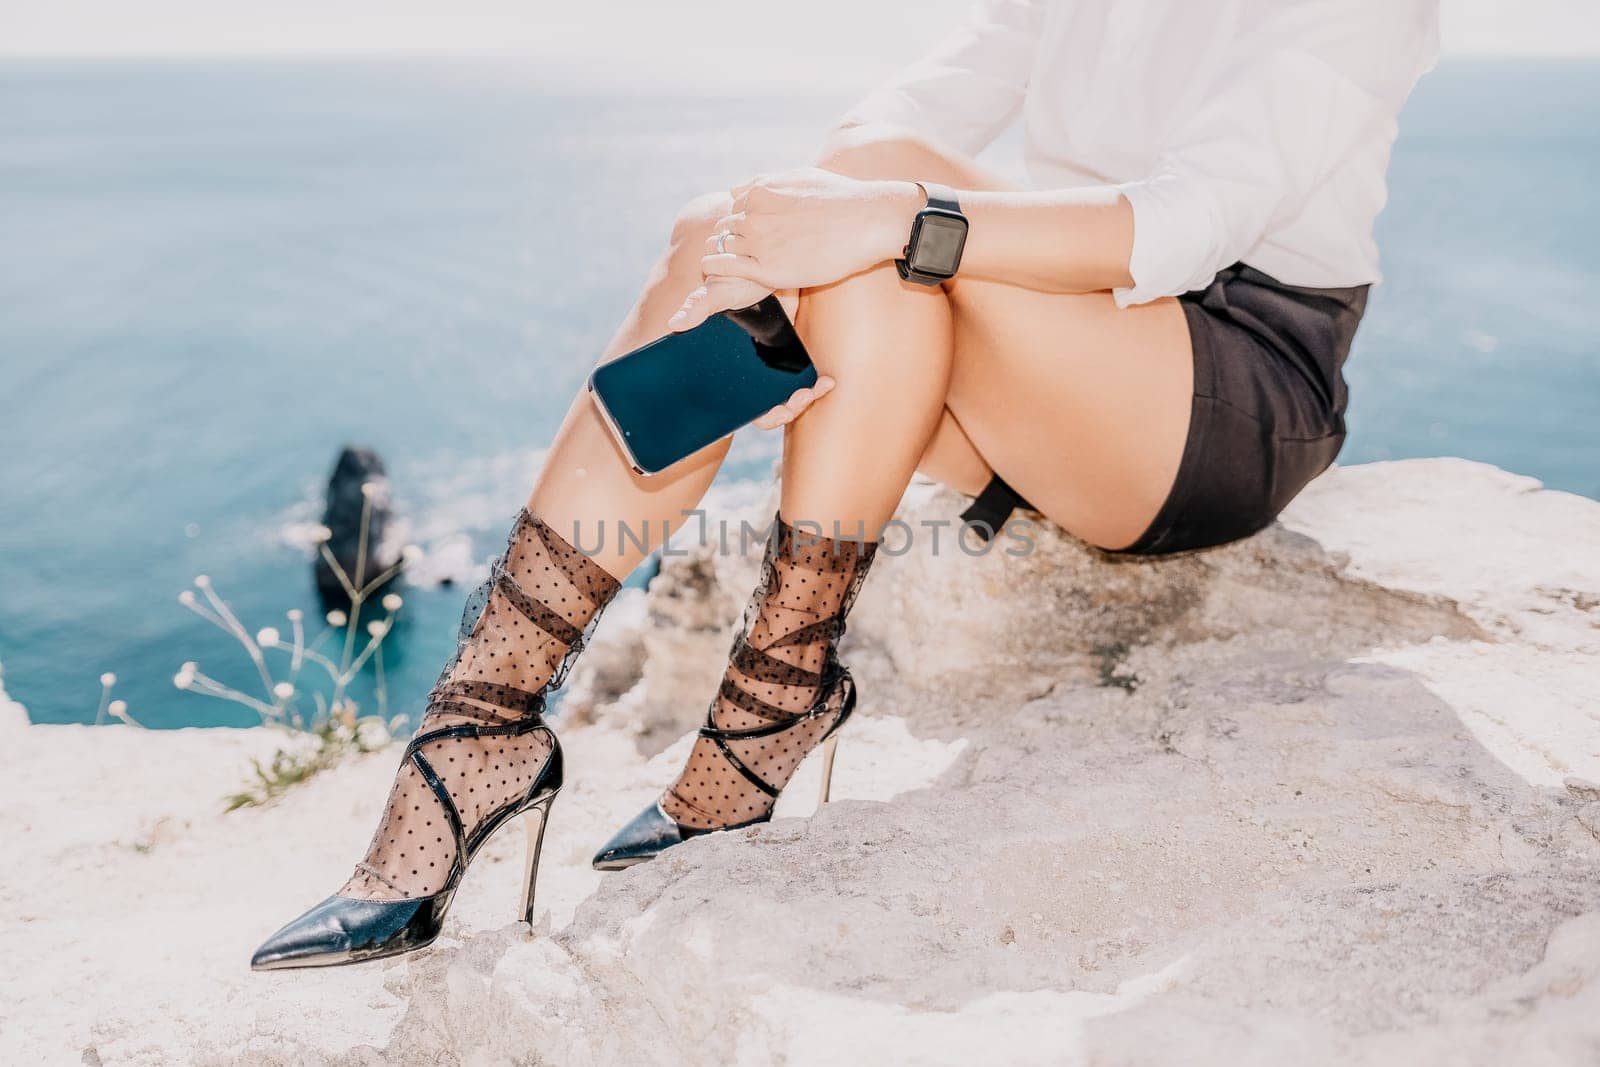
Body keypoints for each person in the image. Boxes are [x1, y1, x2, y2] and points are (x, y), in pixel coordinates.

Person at [250, 0, 1440, 969]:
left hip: (1215, 392)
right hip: (1047, 359)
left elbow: (1186, 223)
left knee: (882, 216)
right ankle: (482, 726)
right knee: (737, 224)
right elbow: (912, 113)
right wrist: (773, 253)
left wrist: (874, 216)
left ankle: (754, 708)